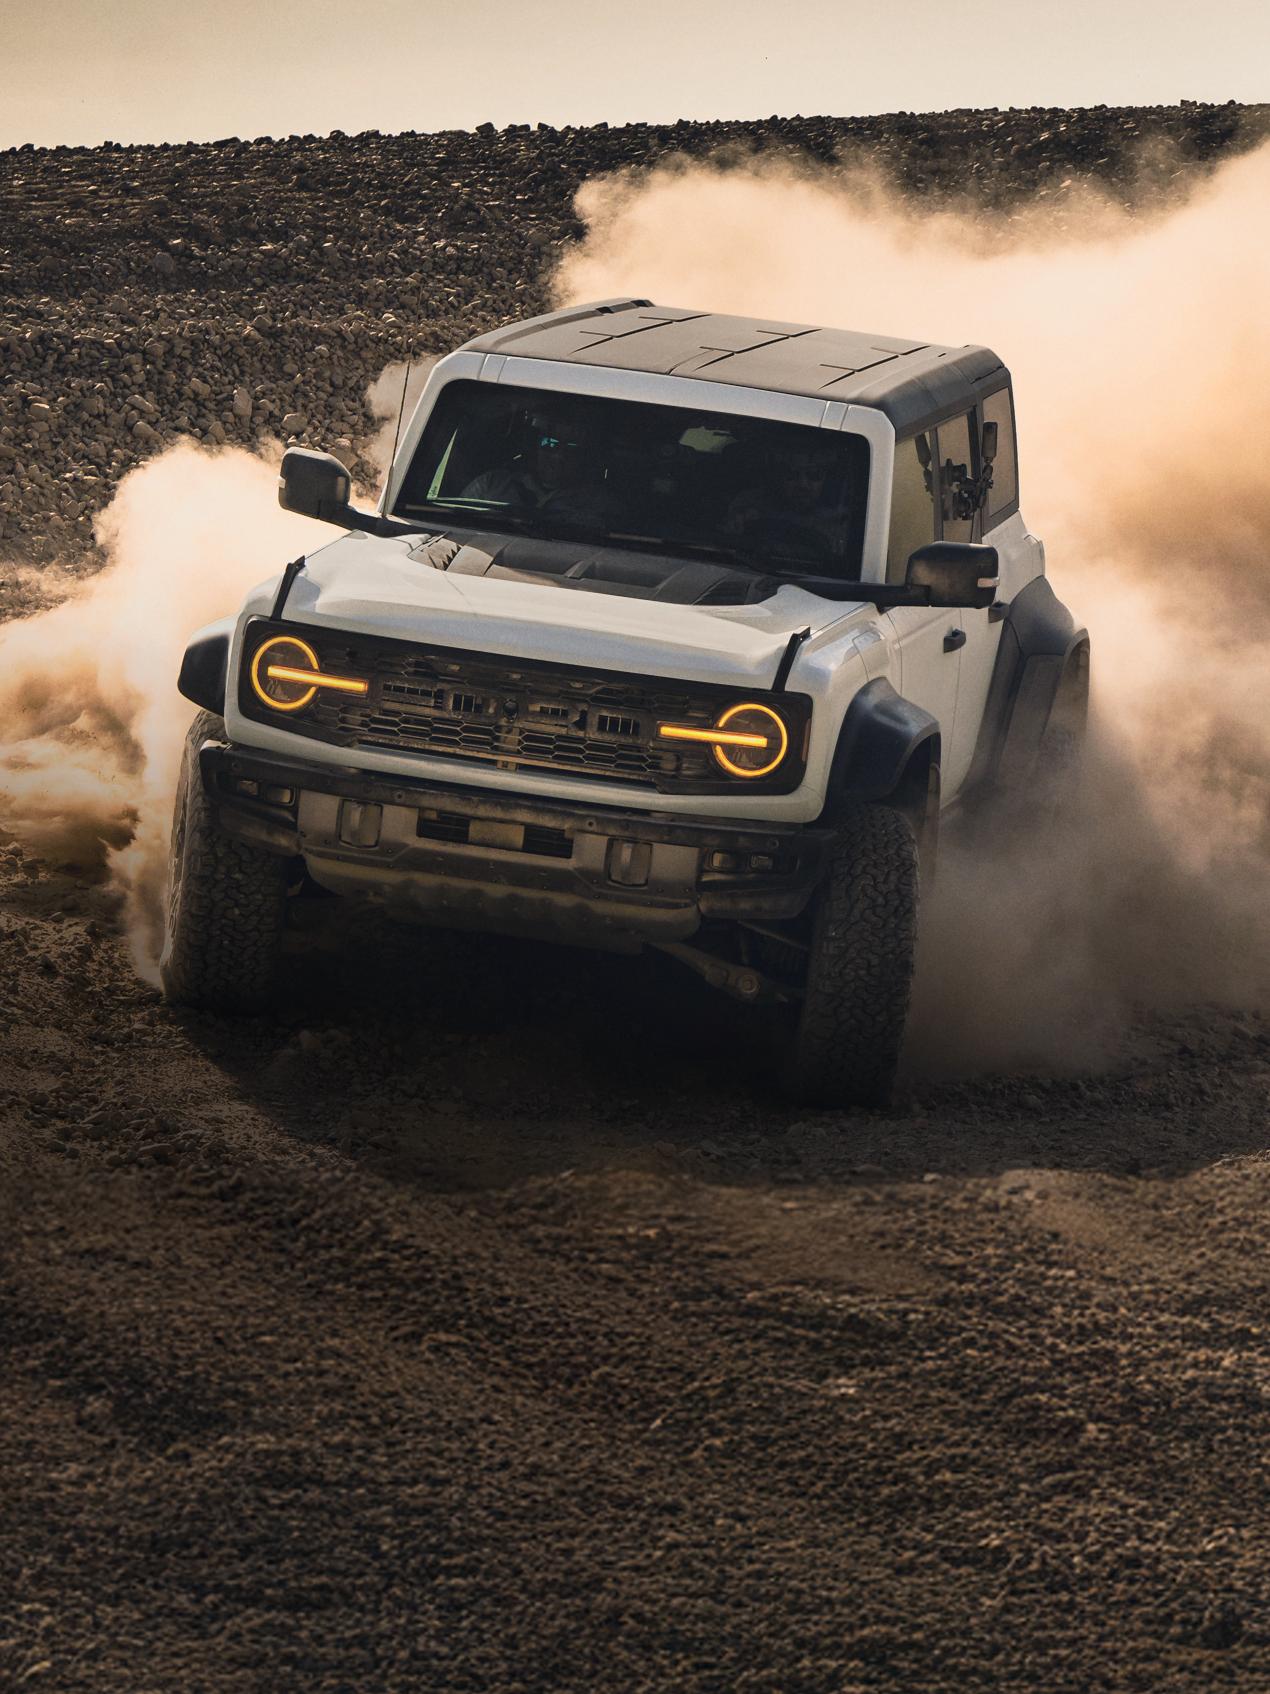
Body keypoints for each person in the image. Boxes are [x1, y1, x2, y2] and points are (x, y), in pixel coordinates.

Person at [462, 406, 611, 524]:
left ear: (584, 455)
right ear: (532, 446)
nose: (559, 456)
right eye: (550, 444)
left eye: (572, 448)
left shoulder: (599, 504)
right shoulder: (490, 485)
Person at [725, 439, 846, 563]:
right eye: (791, 474)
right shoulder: (749, 503)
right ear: (778, 477)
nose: (802, 485)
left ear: (827, 480)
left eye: (814, 475)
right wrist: (740, 521)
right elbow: (729, 550)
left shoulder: (842, 519)